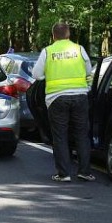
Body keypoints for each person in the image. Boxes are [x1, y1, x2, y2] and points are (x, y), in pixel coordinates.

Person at [32, 22, 94, 182]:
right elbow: (88, 70)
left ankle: (64, 173)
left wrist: (49, 76)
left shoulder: (48, 51)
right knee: (82, 134)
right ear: (68, 35)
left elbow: (36, 74)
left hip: (56, 98)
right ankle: (85, 172)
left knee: (60, 136)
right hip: (80, 96)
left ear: (53, 36)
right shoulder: (79, 49)